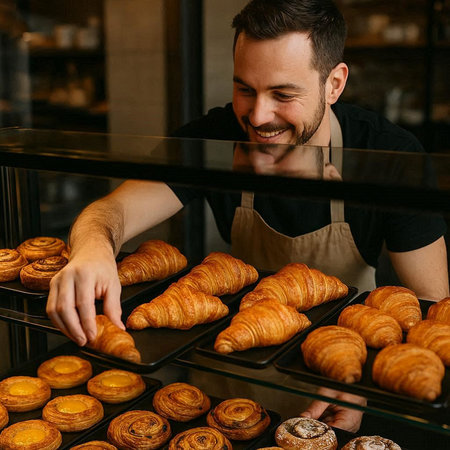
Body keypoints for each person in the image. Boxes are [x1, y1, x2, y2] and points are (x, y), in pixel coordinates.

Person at [46, 0, 448, 432]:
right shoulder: (215, 139)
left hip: (333, 394)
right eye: (245, 89)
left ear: (334, 84)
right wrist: (91, 249)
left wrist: (362, 379)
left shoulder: (389, 156)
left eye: (283, 94)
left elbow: (434, 317)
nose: (257, 117)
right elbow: (112, 211)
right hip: (226, 396)